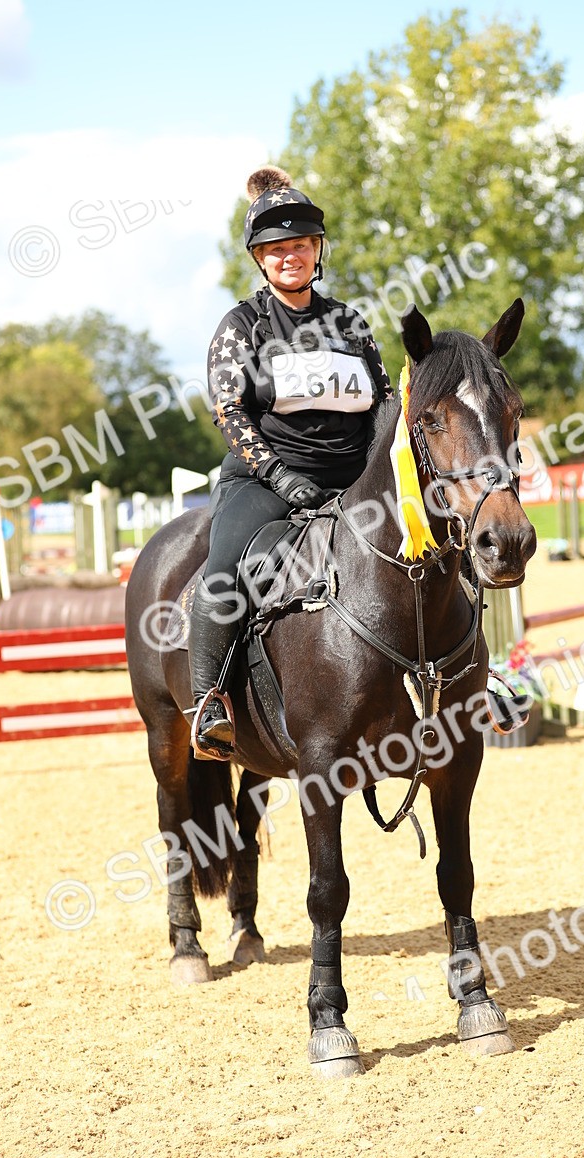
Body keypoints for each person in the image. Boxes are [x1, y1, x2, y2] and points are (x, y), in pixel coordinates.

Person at [189, 165, 394, 759]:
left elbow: (383, 403)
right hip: (267, 479)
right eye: (276, 249)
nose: (289, 258)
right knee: (223, 573)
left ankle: (473, 680)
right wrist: (280, 476)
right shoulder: (242, 326)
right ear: (260, 258)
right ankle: (210, 708)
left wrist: (383, 472)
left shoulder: (351, 325)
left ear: (317, 250)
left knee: (431, 545)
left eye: (299, 246)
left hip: (355, 479)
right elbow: (229, 412)